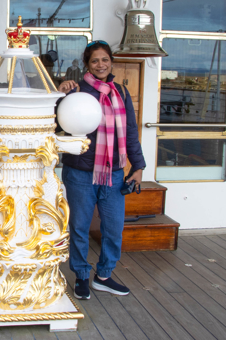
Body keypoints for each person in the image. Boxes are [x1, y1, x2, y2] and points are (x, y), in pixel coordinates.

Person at [58, 40, 146, 300]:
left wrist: (138, 165)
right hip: (80, 172)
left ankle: (104, 276)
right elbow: (55, 124)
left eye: (104, 60)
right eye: (94, 60)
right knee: (79, 226)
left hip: (115, 172)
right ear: (87, 64)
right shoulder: (75, 91)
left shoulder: (121, 92)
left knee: (113, 227)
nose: (100, 65)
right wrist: (59, 94)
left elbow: (130, 131)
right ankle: (82, 276)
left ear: (111, 62)